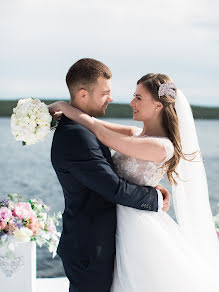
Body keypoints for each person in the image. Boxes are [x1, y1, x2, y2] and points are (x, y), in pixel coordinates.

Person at [49, 72, 219, 291]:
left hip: (135, 224)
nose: (131, 103)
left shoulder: (161, 146)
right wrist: (62, 115)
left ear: (158, 106)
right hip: (113, 221)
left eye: (139, 98)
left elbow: (100, 132)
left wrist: (64, 104)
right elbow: (94, 124)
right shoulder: (135, 133)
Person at [50, 59, 170, 292]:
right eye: (105, 92)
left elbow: (96, 126)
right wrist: (154, 197)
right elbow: (113, 188)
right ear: (83, 95)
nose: (113, 99)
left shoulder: (83, 129)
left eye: (138, 97)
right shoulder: (77, 135)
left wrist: (66, 108)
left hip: (110, 238)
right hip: (90, 246)